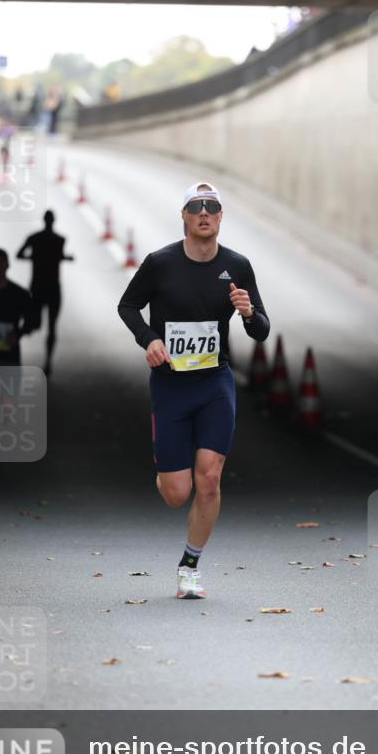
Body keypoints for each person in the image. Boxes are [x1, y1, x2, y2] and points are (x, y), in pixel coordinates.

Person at [118, 181, 269, 599]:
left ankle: (190, 566)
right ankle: (166, 475)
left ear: (221, 218)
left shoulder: (237, 266)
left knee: (210, 480)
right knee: (176, 493)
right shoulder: (160, 263)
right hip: (171, 386)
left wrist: (249, 312)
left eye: (212, 206)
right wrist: (148, 339)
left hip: (215, 384)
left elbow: (261, 331)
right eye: (195, 206)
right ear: (184, 216)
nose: (204, 212)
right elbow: (127, 305)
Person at [16, 210, 74, 376]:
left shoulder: (34, 238)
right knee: (51, 327)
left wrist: (34, 257)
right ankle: (48, 362)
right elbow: (60, 256)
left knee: (33, 324)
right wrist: (64, 258)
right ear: (53, 221)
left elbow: (19, 254)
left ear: (44, 220)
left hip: (37, 286)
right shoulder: (60, 240)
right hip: (53, 288)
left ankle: (13, 346)